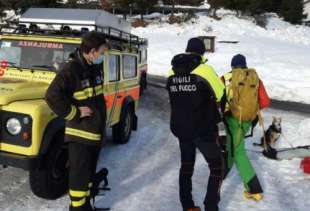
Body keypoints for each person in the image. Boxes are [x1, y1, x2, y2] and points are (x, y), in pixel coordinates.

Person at [45, 31, 108, 211]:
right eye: (102, 52)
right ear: (92, 51)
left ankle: (87, 206)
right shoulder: (71, 69)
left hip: (94, 134)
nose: (103, 56)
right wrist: (74, 112)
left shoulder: (94, 67)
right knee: (79, 178)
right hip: (80, 135)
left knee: (88, 176)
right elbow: (51, 95)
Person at [167, 37, 225, 211]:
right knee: (216, 166)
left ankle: (188, 206)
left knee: (186, 167)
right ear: (202, 52)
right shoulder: (205, 70)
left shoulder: (171, 71)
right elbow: (221, 94)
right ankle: (211, 206)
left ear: (186, 50)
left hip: (181, 128)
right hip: (203, 128)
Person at [221, 54, 270, 201]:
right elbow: (265, 101)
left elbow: (216, 97)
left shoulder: (226, 77)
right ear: (245, 65)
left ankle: (253, 188)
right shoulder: (255, 78)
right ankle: (222, 173)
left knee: (238, 151)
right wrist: (252, 110)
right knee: (232, 146)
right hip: (248, 119)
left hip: (232, 119)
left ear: (232, 66)